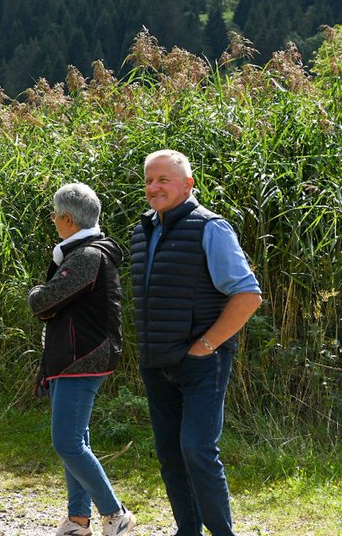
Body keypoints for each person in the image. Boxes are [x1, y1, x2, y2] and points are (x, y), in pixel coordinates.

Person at [132, 150, 262, 536]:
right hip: (157, 362)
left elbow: (247, 295)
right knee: (171, 455)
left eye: (163, 180)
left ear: (188, 185)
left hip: (203, 361)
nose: (154, 187)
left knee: (197, 450)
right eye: (149, 180)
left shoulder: (211, 227)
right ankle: (186, 531)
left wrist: (206, 346)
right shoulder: (143, 230)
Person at [28, 183, 135, 536]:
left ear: (68, 218)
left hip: (82, 357)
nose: (53, 220)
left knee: (68, 443)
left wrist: (36, 294)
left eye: (55, 215)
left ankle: (115, 513)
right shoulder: (80, 252)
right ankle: (77, 519)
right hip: (70, 357)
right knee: (76, 441)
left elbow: (43, 302)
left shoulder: (88, 255)